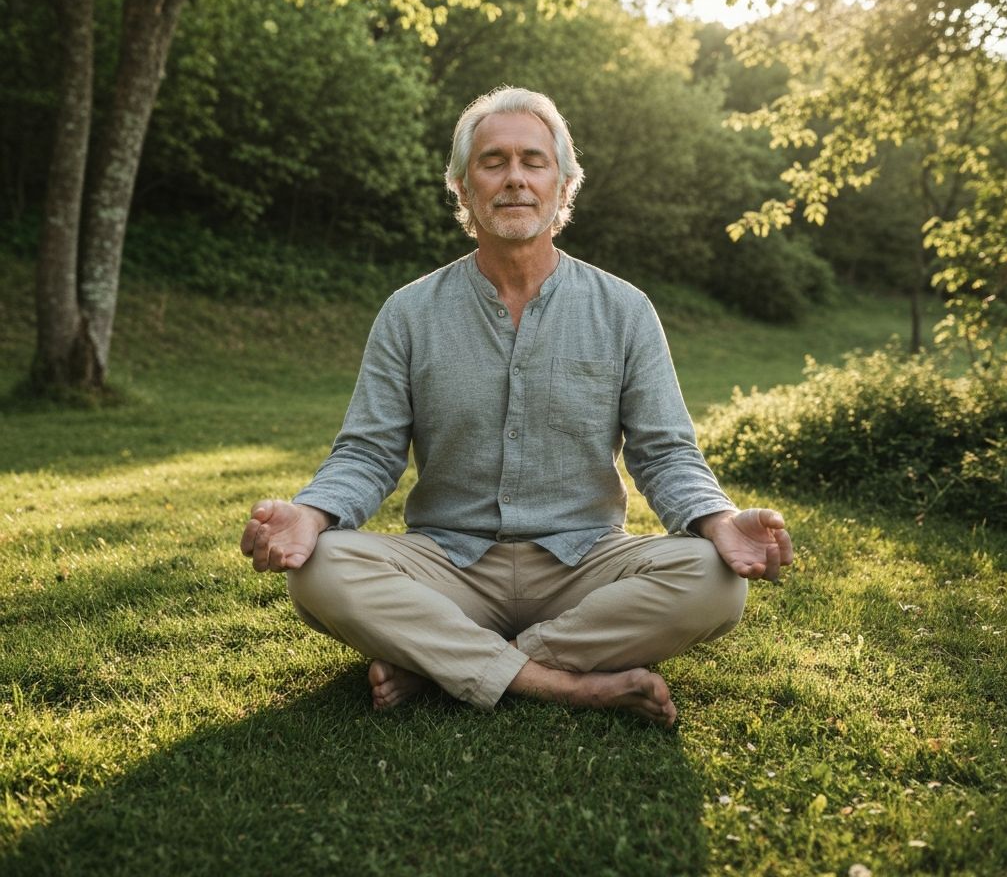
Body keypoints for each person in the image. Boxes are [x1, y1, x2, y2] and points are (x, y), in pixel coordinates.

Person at [241, 86, 792, 728]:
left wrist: (717, 521)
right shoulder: (409, 313)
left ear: (563, 186)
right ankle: (564, 684)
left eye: (534, 161)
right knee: (320, 571)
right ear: (463, 187)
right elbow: (368, 452)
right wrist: (310, 514)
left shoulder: (625, 310)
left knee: (716, 582)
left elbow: (665, 452)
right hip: (447, 565)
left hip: (585, 565)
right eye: (492, 161)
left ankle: (444, 663)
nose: (514, 179)